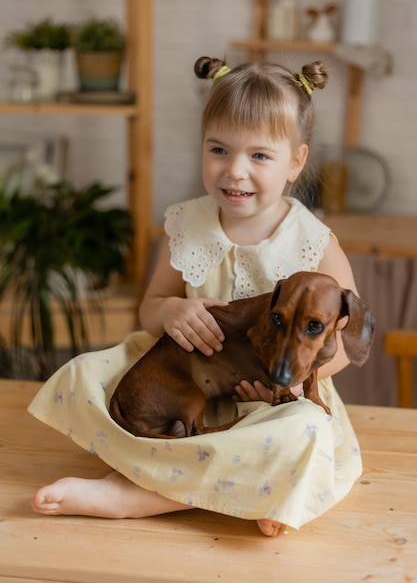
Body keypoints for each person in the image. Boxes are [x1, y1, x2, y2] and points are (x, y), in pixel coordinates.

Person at [29, 56, 362, 538]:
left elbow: (345, 346)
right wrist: (172, 310)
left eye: (259, 156)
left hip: (271, 402)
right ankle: (252, 487)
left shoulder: (313, 242)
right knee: (86, 372)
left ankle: (137, 495)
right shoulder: (186, 225)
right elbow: (151, 306)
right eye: (219, 150)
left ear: (296, 162)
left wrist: (284, 386)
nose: (235, 171)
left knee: (303, 431)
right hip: (185, 380)